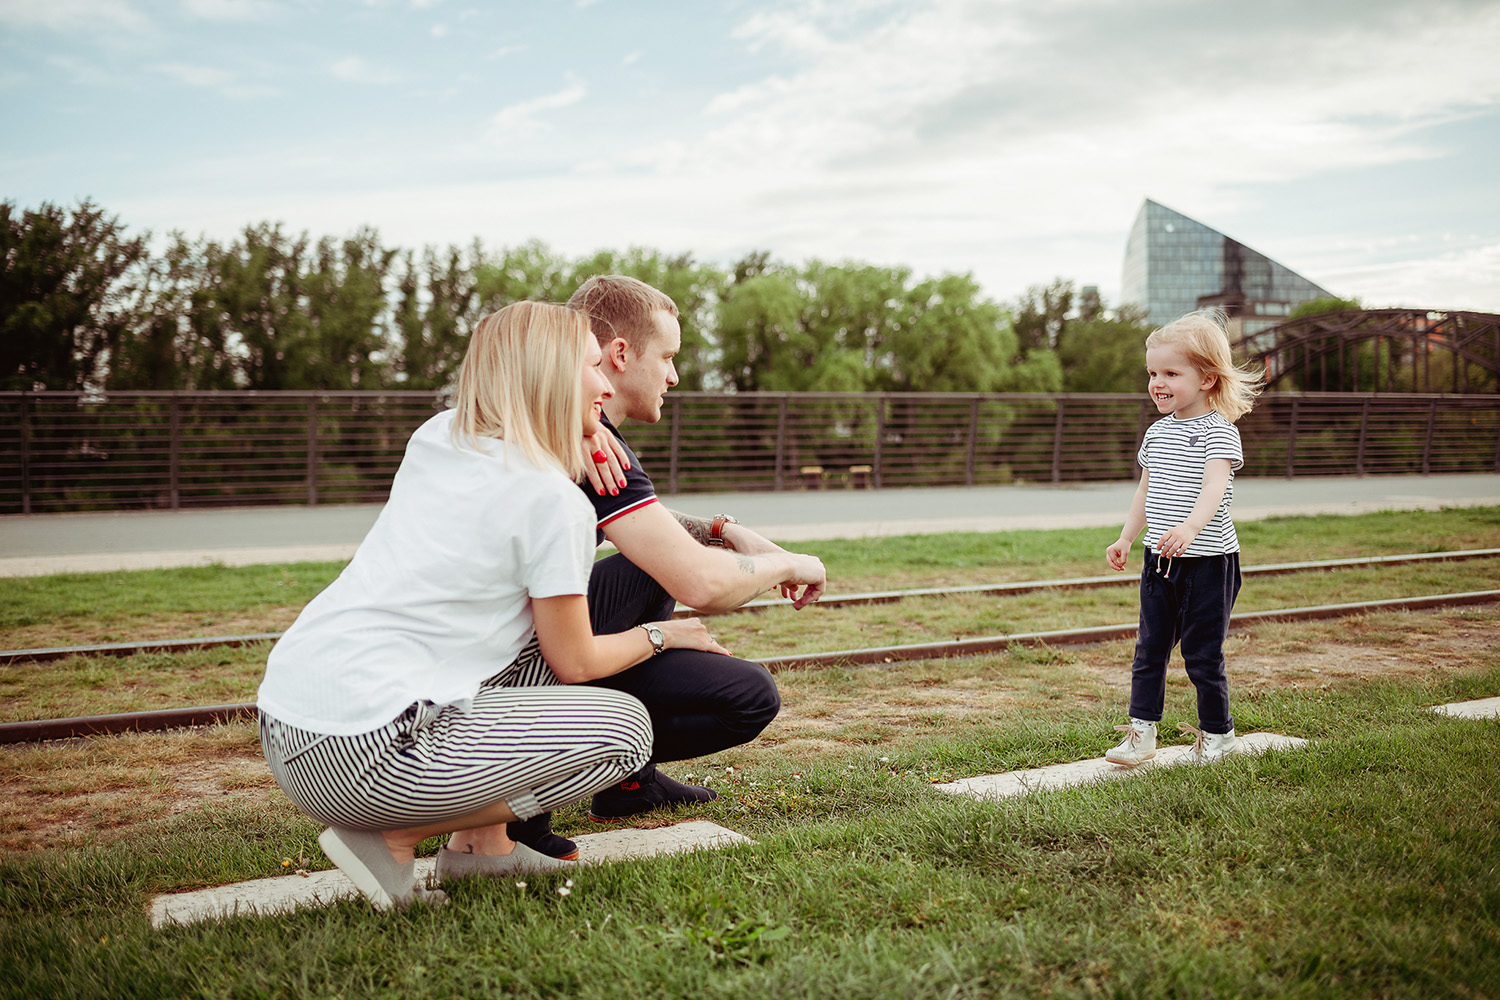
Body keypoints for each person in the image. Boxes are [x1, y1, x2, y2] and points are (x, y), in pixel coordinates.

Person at [256, 301, 731, 909]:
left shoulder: (438, 437)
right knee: (625, 733)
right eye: (591, 367)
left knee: (530, 648)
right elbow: (579, 663)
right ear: (550, 377)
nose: (606, 385)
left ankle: (482, 849)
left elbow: (510, 447)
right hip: (364, 757)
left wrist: (574, 437)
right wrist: (666, 636)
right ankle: (393, 838)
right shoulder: (551, 501)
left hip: (288, 725)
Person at [504, 275, 829, 860]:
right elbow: (701, 585)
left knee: (647, 566)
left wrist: (720, 530)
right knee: (750, 695)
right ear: (620, 354)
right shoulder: (577, 434)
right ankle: (544, 787)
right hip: (505, 667)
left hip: (502, 650)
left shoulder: (571, 432)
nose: (675, 376)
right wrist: (791, 562)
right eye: (668, 357)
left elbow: (645, 526)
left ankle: (631, 781)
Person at [1103, 309, 1263, 767]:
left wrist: (1191, 527)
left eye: (1171, 372)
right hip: (1160, 559)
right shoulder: (1156, 433)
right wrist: (1127, 537)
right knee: (1149, 649)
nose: (1158, 382)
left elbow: (1214, 487)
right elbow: (1146, 491)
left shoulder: (1220, 432)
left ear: (1208, 379)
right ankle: (1141, 734)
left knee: (1200, 654)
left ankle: (1218, 736)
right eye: (1153, 372)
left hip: (1209, 562)